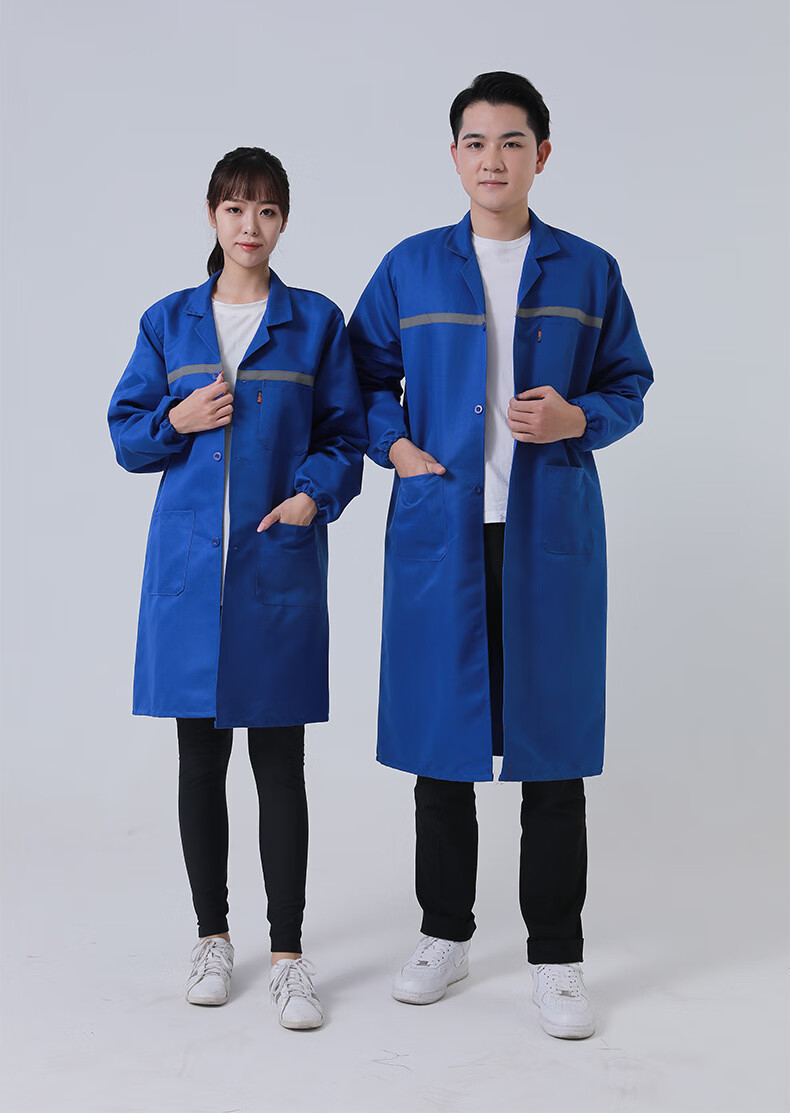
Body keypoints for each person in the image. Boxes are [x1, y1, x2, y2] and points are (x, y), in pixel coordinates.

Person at [347, 72, 653, 1039]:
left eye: (512, 142)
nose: (493, 160)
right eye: (475, 143)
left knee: (551, 751)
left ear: (541, 155)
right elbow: (360, 377)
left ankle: (557, 956)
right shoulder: (410, 268)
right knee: (442, 745)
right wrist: (395, 445)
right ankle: (444, 933)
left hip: (546, 532)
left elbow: (630, 383)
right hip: (443, 531)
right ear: (454, 156)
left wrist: (577, 418)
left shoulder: (588, 270)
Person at [108, 146, 366, 1030]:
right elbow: (127, 435)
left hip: (274, 565)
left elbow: (344, 436)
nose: (249, 226)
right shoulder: (168, 322)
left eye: (265, 210)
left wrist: (312, 496)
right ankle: (212, 938)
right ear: (211, 217)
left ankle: (288, 954)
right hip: (191, 574)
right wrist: (176, 418)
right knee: (200, 761)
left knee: (280, 763)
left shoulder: (315, 322)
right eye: (234, 209)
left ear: (283, 221)